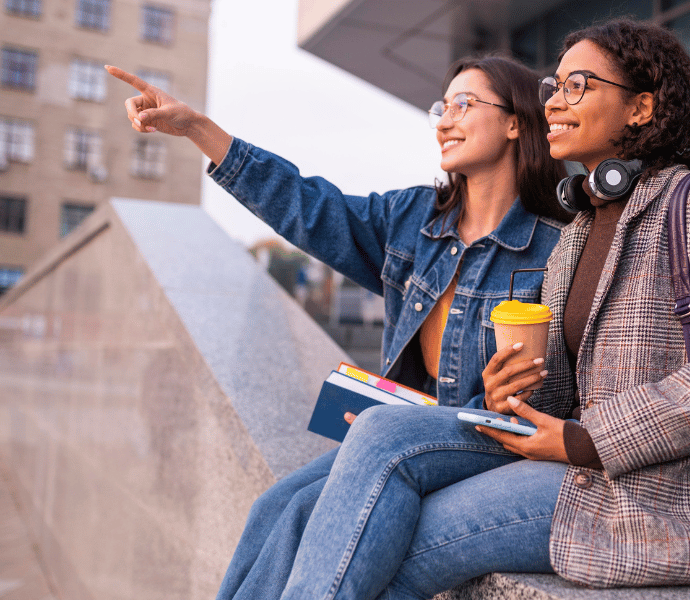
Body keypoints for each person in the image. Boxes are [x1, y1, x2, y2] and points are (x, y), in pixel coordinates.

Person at [277, 18, 690, 599]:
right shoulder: (582, 228)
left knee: (389, 534)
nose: (555, 103)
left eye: (579, 86)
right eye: (554, 86)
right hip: (577, 471)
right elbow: (565, 390)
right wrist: (510, 392)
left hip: (654, 496)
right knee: (370, 473)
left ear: (641, 108)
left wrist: (588, 440)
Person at [106, 55, 570, 600]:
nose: (444, 120)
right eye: (441, 108)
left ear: (515, 122)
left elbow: (570, 381)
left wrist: (494, 400)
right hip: (414, 429)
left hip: (497, 439)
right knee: (275, 505)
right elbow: (309, 206)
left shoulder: (556, 246)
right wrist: (198, 129)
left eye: (464, 105)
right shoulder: (414, 220)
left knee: (310, 507)